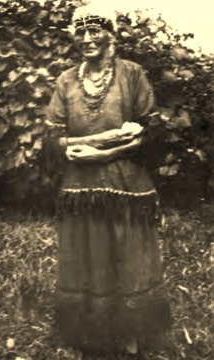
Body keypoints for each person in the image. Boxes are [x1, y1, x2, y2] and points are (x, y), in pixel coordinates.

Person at [46, 4, 171, 356]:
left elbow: (150, 132)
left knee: (127, 254)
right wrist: (106, 138)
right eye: (80, 31)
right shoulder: (67, 80)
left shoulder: (132, 75)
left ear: (110, 35)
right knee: (87, 255)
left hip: (126, 185)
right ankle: (93, 333)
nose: (87, 38)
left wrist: (103, 153)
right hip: (80, 187)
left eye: (95, 30)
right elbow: (53, 137)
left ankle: (131, 334)